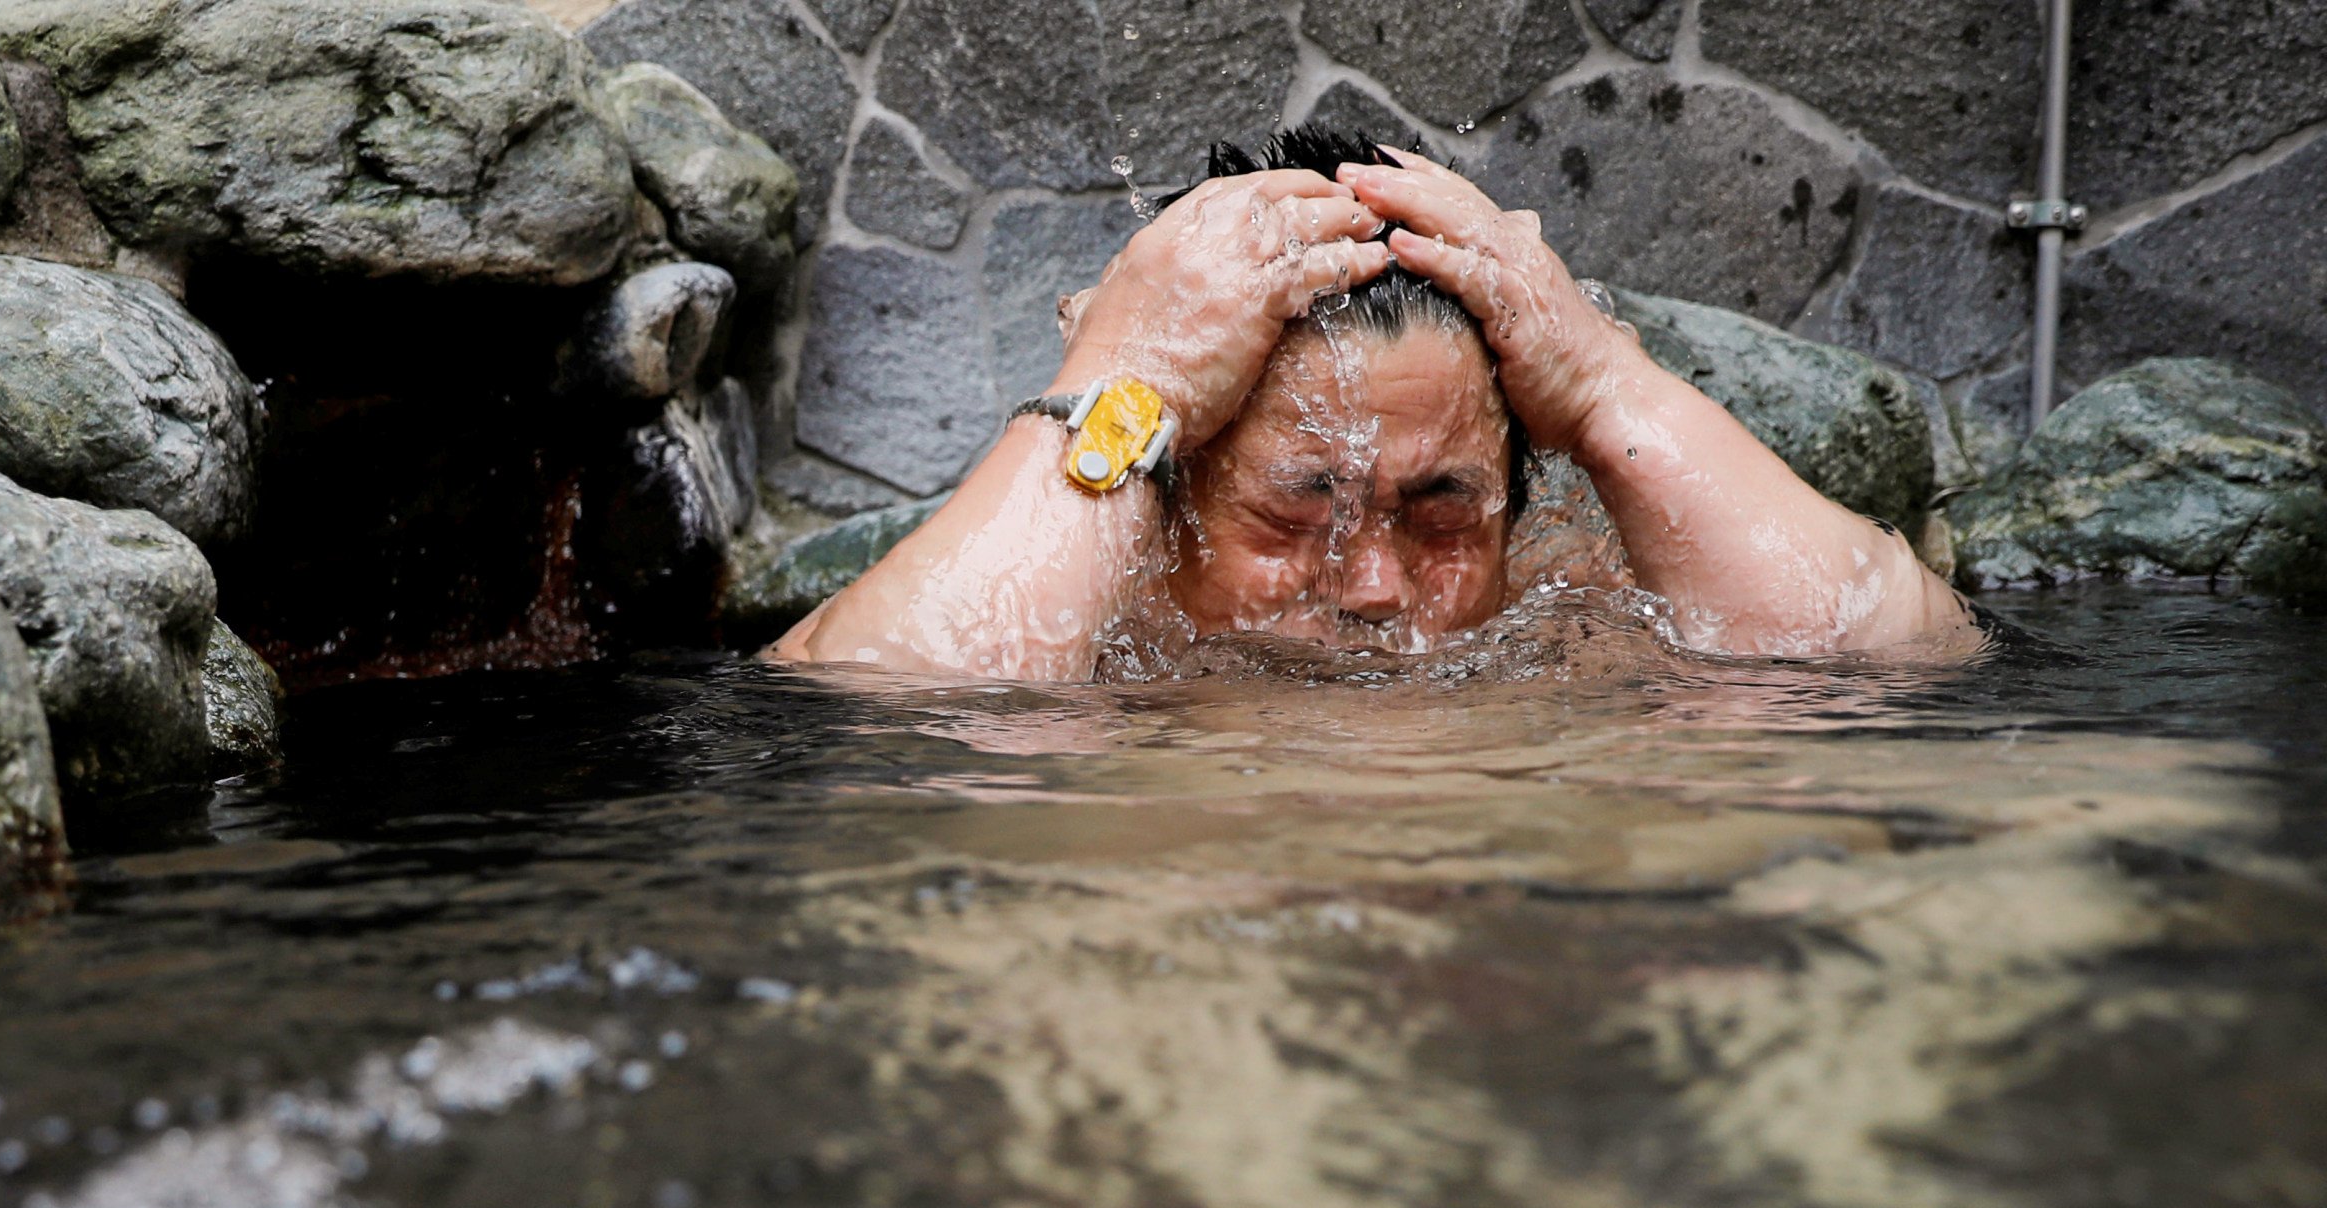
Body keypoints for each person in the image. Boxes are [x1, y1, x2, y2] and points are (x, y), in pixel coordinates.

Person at [774, 124, 1977, 675]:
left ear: (1520, 495)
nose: (1371, 591)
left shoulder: (1580, 618)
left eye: (1443, 515)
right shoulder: (1097, 637)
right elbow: (884, 716)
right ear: (1166, 495)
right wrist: (1123, 379)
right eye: (1296, 515)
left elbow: (1890, 652)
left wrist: (1604, 386)